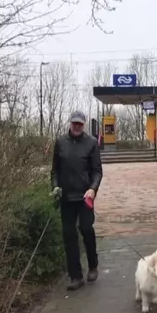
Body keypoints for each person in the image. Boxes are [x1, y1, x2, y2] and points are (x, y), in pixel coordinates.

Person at [51, 111, 103, 290]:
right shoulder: (60, 143)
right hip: (66, 197)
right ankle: (75, 276)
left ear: (84, 125)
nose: (77, 126)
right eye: (74, 123)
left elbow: (97, 171)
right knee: (68, 234)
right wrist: (55, 187)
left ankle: (93, 264)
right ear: (70, 123)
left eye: (80, 124)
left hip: (84, 196)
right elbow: (55, 171)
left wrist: (92, 189)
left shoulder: (91, 144)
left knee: (86, 228)